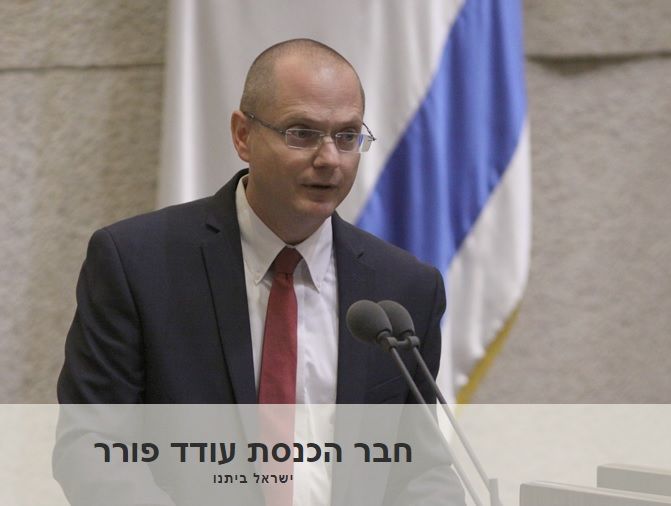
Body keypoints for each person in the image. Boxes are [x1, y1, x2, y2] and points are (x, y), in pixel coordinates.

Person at [56, 38, 464, 505]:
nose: (329, 159)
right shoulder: (137, 264)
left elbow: (419, 468)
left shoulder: (404, 290)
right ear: (243, 135)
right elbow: (93, 448)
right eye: (302, 133)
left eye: (347, 136)